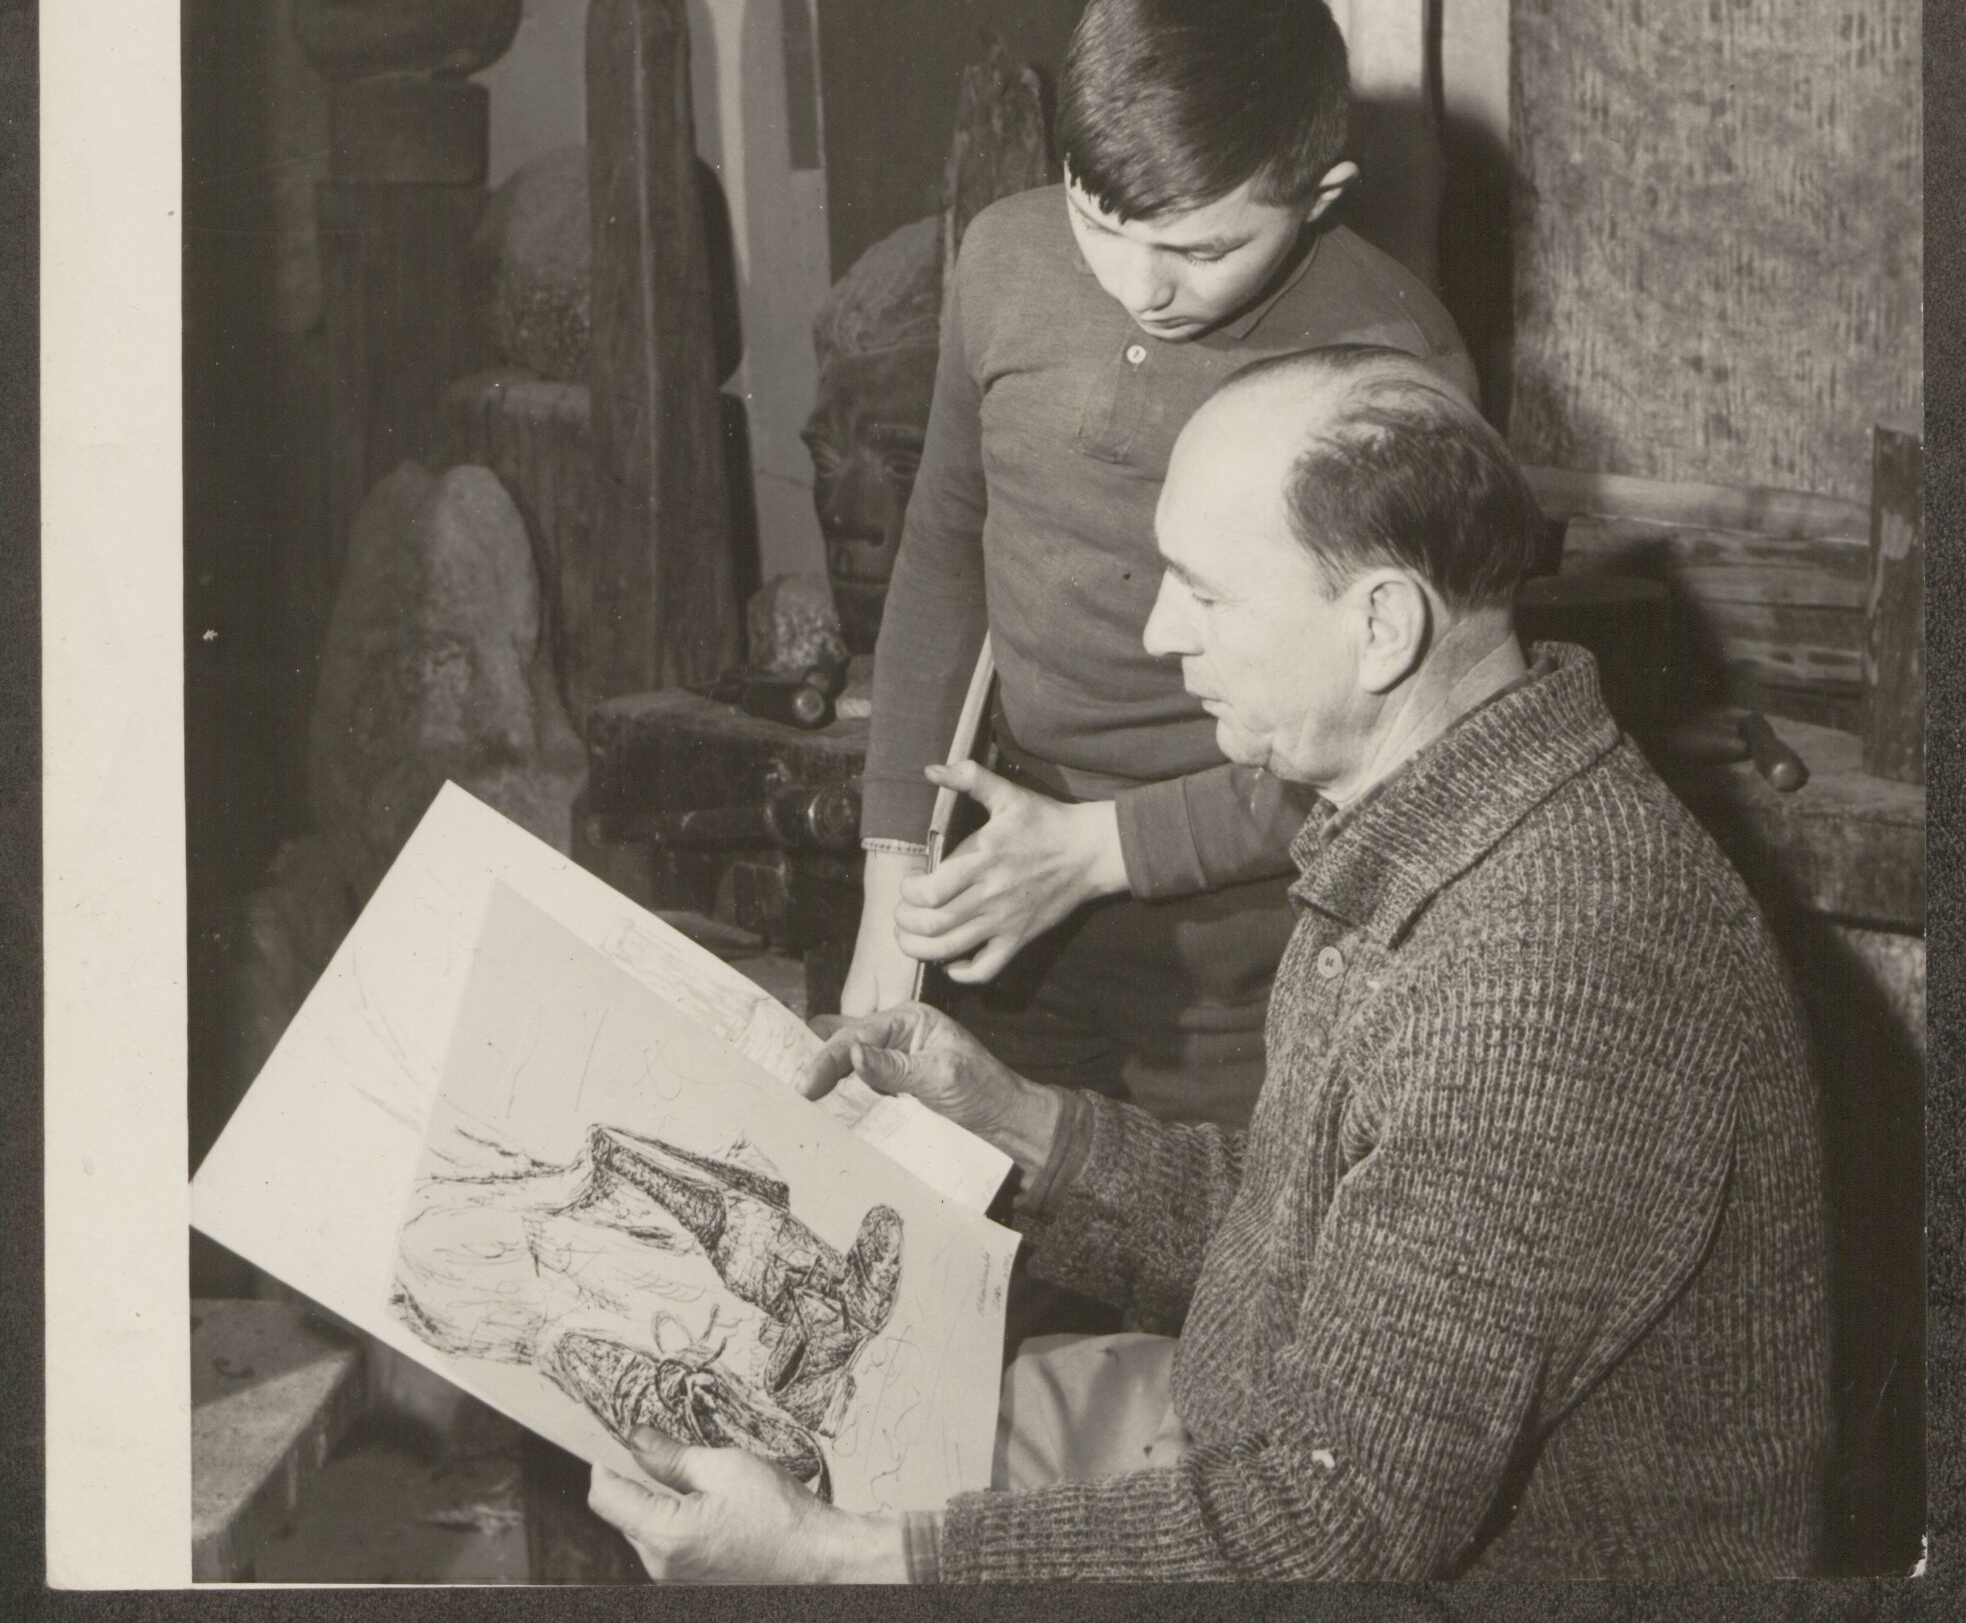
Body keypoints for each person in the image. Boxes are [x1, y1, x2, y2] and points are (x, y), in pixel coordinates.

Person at [587, 350, 1830, 1582]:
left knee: (809, 1520)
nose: (1157, 630)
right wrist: (1009, 1119)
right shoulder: (1437, 811)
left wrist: (835, 1561)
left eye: (1205, 592)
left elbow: (1334, 1529)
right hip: (1271, 1455)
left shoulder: (1542, 973)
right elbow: (1307, 1235)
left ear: (1381, 625)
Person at [844, 0, 1476, 1132]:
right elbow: (944, 549)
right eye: (1099, 220)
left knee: (1212, 1227)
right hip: (996, 857)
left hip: (1252, 907)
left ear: (1319, 196)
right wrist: (892, 869)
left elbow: (1409, 736)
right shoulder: (1003, 256)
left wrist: (1103, 849)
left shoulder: (1394, 359)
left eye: (1202, 249)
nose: (1140, 286)